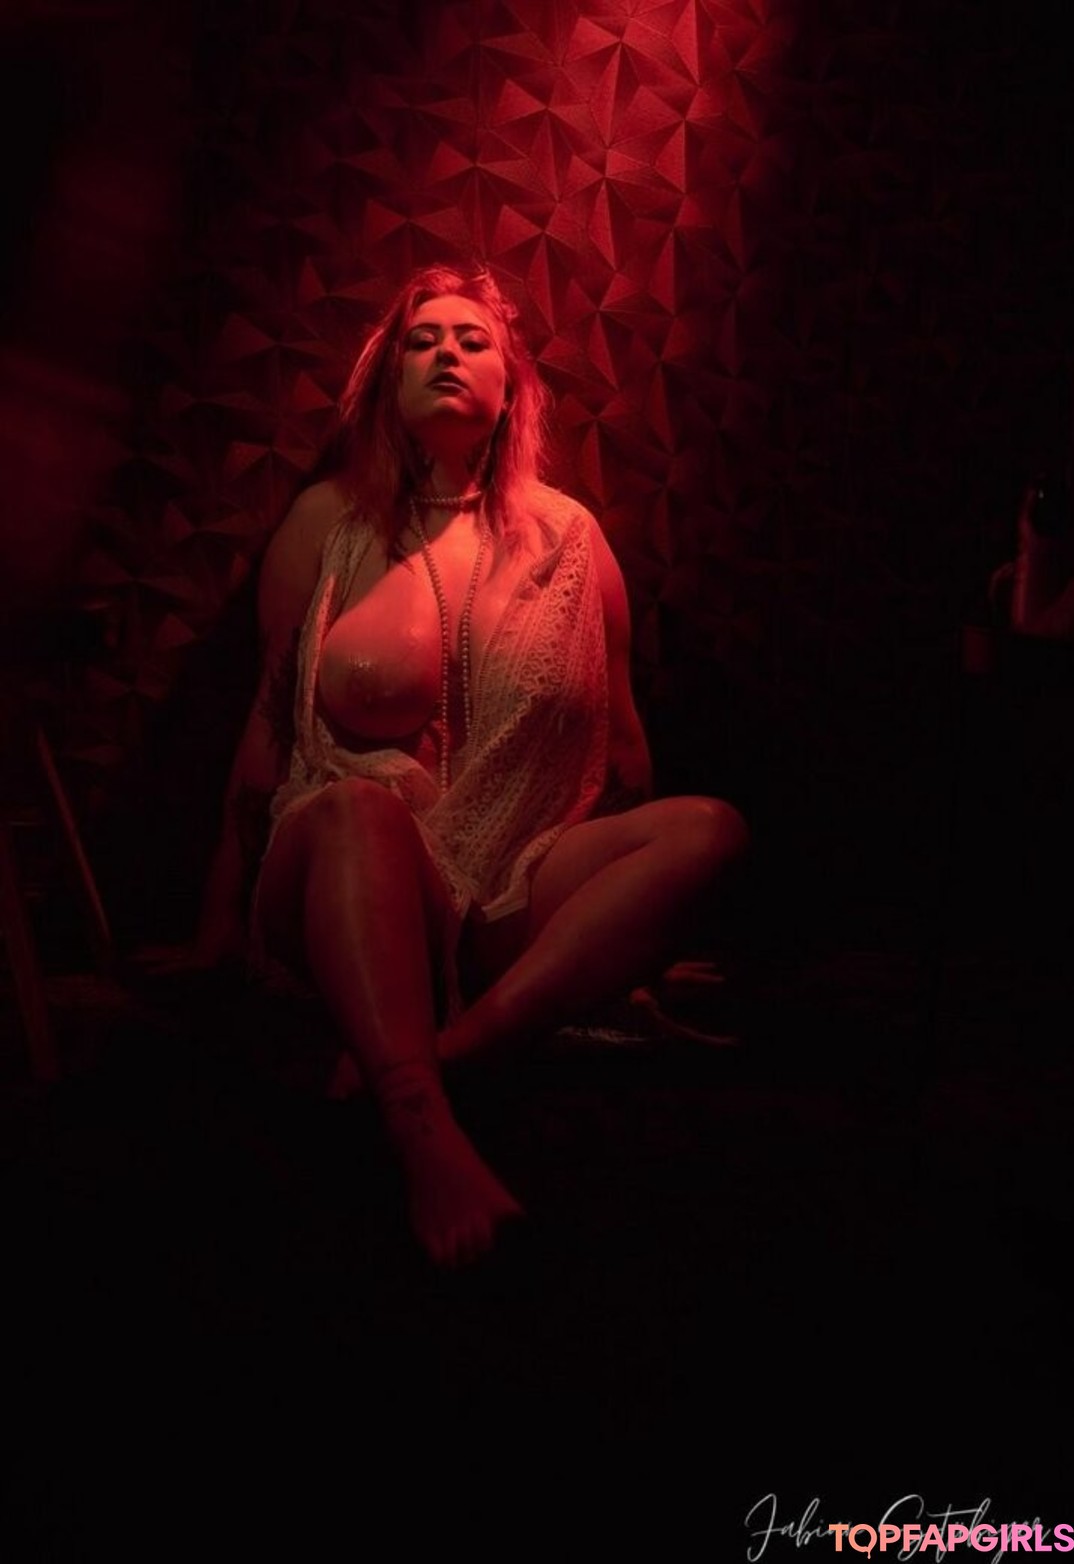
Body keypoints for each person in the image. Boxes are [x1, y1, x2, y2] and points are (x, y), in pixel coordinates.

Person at [183, 263, 749, 1267]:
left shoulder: (571, 539)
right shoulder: (329, 522)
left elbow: (624, 749)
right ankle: (422, 1129)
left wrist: (636, 938)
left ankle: (458, 1049)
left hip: (511, 880)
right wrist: (218, 922)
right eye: (422, 340)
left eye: (471, 339)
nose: (447, 351)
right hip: (348, 873)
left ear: (511, 385)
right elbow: (269, 724)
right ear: (389, 381)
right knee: (357, 805)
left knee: (708, 830)